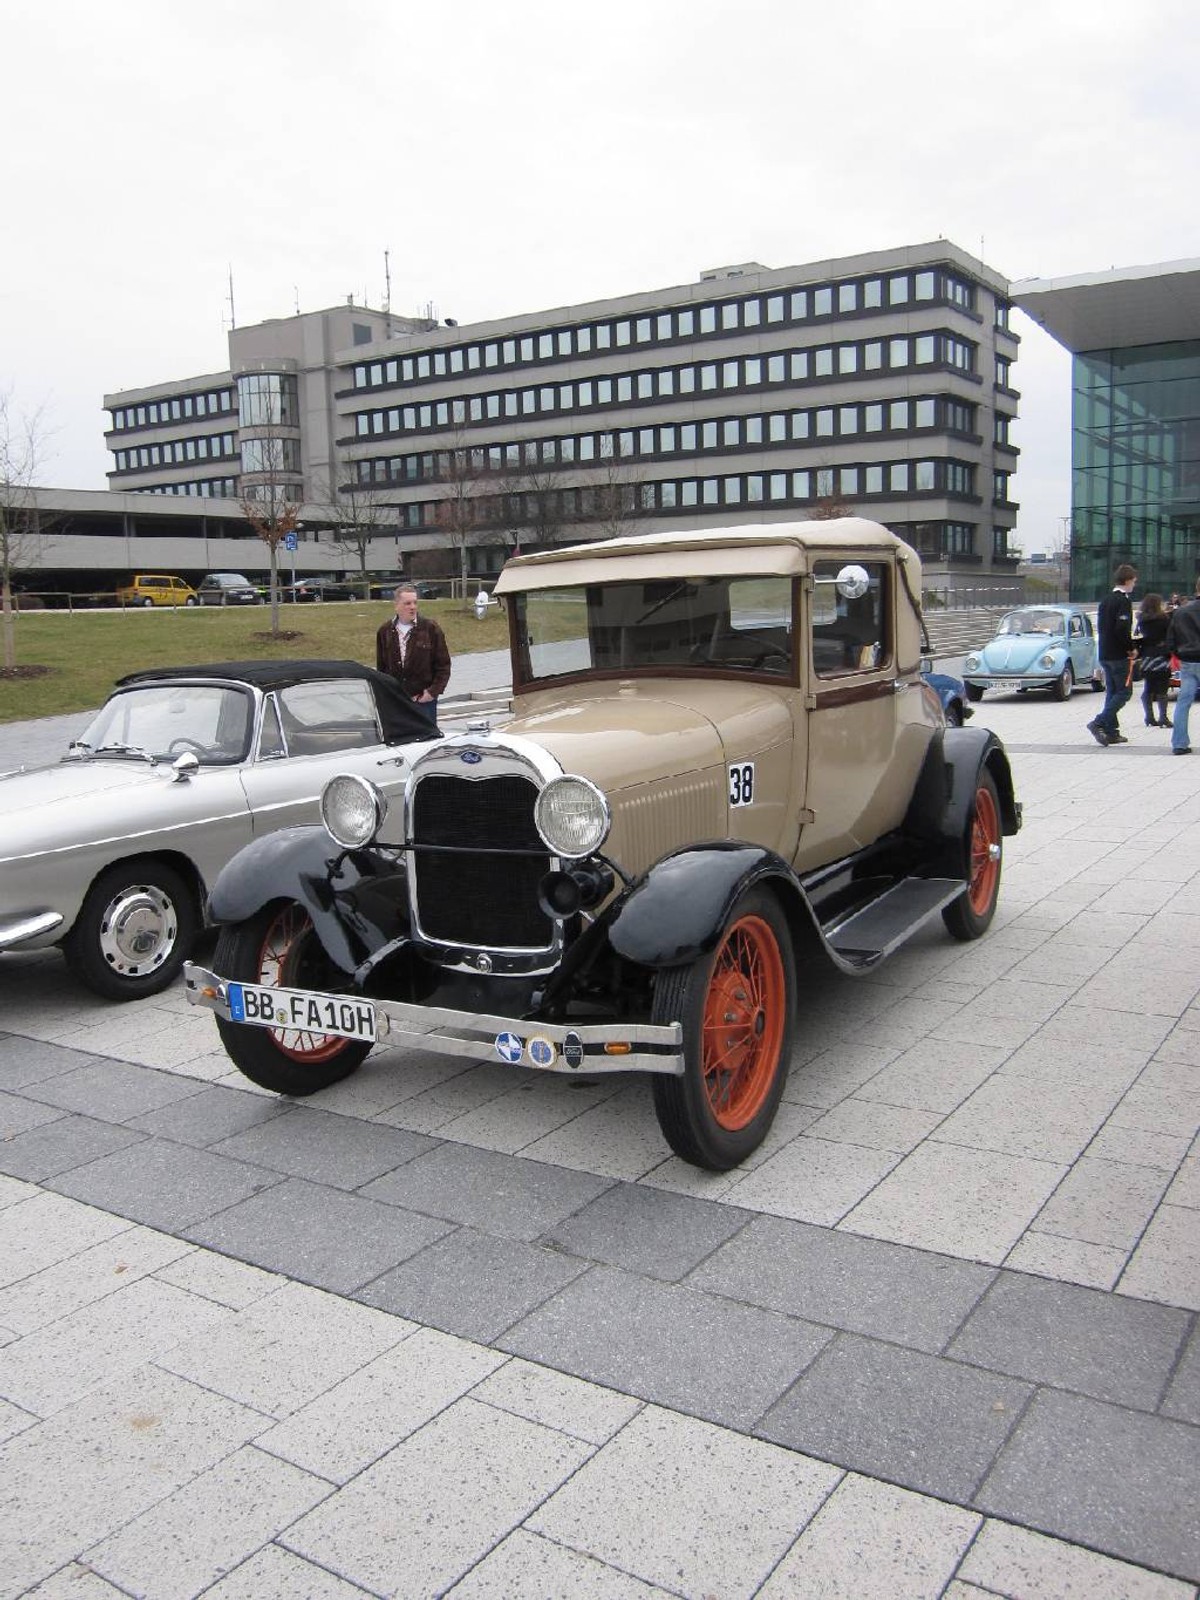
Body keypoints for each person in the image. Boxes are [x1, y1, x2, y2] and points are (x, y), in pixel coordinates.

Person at [375, 583, 451, 725]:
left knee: (425, 742)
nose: (413, 607)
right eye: (407, 603)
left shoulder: (430, 629)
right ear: (396, 605)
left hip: (423, 702)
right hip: (397, 703)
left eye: (415, 603)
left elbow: (443, 666)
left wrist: (431, 693)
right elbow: (382, 669)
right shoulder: (384, 632)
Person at [1088, 563, 1137, 747]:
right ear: (1127, 580)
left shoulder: (1105, 600)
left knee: (1112, 692)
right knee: (1125, 692)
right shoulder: (1123, 601)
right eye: (1133, 581)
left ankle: (1111, 731)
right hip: (1118, 654)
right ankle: (1099, 722)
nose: (1134, 584)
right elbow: (1122, 628)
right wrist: (1131, 647)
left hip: (1105, 653)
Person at [1164, 575, 1200, 755]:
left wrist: (1179, 653)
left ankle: (1179, 743)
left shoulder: (1181, 612)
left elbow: (1170, 640)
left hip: (1188, 660)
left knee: (1183, 702)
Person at [1135, 593, 1172, 729]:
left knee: (1148, 687)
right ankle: (1163, 717)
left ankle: (1149, 717)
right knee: (1163, 688)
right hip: (1161, 655)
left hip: (1146, 656)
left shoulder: (1141, 620)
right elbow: (1169, 636)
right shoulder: (1164, 619)